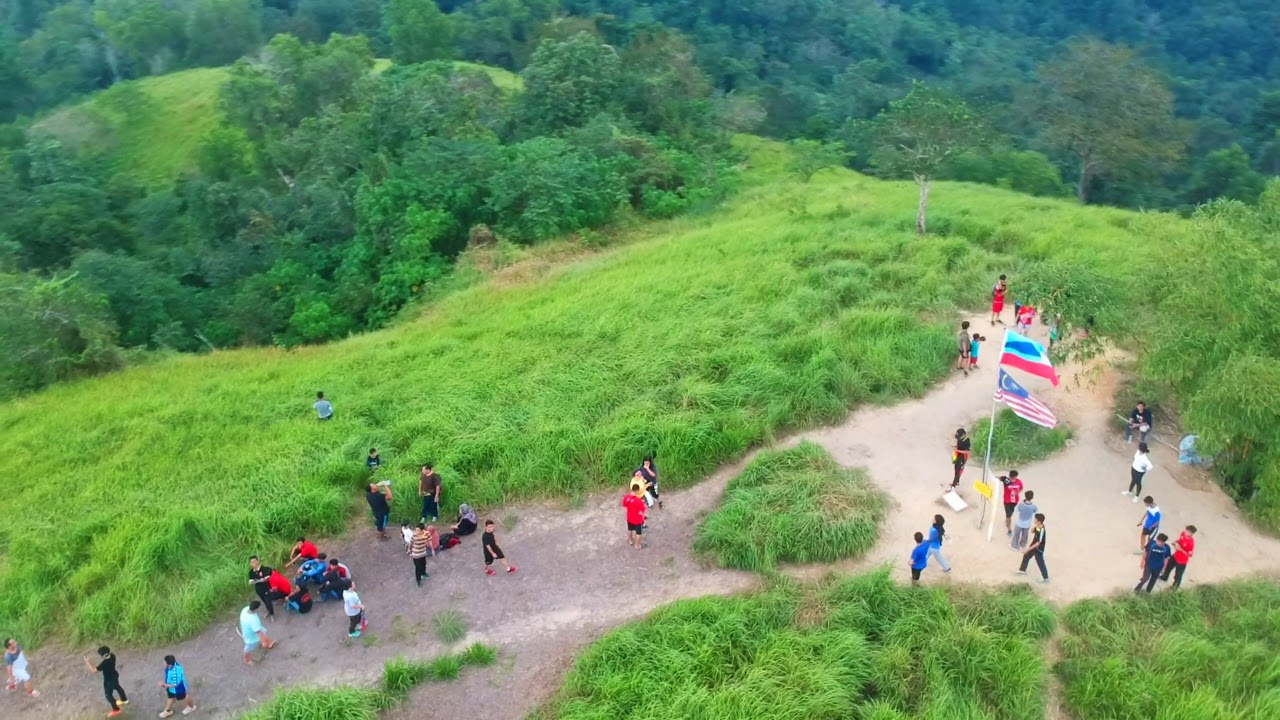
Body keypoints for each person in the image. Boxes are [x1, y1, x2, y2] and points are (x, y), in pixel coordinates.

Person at [85, 646, 127, 716]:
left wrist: (87, 662)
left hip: (108, 681)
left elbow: (94, 670)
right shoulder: (113, 656)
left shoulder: (104, 663)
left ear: (103, 656)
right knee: (118, 687)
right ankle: (124, 700)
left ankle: (116, 710)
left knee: (109, 696)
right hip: (115, 676)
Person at [239, 601, 276, 666]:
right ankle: (246, 660)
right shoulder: (253, 620)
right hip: (251, 636)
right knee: (248, 648)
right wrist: (264, 641)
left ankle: (269, 643)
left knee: (262, 635)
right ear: (256, 609)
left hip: (246, 630)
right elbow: (259, 633)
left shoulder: (245, 609)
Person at [1016, 513, 1049, 583]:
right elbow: (1032, 531)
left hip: (1038, 549)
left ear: (1039, 521)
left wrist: (1027, 549)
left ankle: (1045, 578)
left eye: (1035, 520)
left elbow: (1038, 543)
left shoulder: (1042, 530)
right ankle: (1022, 570)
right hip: (1033, 545)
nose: (1034, 520)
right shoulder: (1038, 527)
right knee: (1026, 556)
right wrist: (1035, 527)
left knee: (1040, 562)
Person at [999, 470, 1024, 537]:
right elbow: (995, 478)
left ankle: (1007, 519)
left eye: (1014, 478)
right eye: (1011, 477)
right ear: (1009, 476)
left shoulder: (1019, 482)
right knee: (1009, 516)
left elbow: (1021, 488)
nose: (1012, 479)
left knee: (1009, 514)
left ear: (1016, 477)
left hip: (1015, 501)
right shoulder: (1005, 480)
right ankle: (1009, 529)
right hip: (1007, 501)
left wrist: (1017, 492)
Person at [623, 483, 647, 550]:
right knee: (638, 532)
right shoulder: (639, 501)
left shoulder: (626, 497)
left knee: (630, 529)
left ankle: (630, 540)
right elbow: (642, 510)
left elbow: (624, 505)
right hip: (637, 519)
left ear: (632, 489)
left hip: (629, 517)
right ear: (637, 491)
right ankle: (637, 545)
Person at [409, 523, 432, 587]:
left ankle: (423, 573)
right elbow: (411, 543)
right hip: (416, 554)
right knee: (417, 567)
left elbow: (429, 540)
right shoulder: (414, 535)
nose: (416, 532)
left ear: (422, 530)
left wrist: (431, 548)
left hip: (423, 553)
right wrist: (409, 550)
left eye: (418, 530)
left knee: (423, 564)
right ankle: (418, 581)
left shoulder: (426, 533)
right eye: (416, 530)